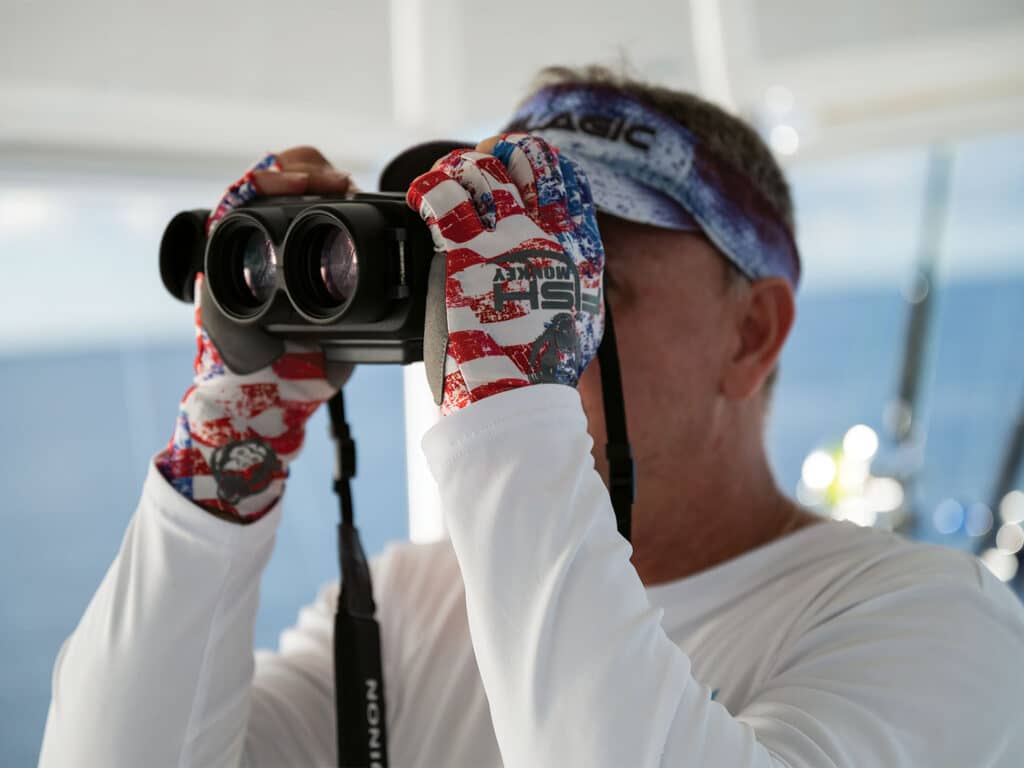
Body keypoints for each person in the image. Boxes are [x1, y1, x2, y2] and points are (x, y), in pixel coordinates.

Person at [39, 66, 1024, 767]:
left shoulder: (934, 625)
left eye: (587, 281)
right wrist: (226, 456)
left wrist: (512, 410)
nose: (502, 322)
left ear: (751, 335)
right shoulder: (417, 602)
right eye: (488, 284)